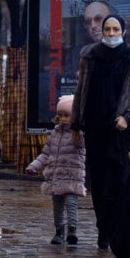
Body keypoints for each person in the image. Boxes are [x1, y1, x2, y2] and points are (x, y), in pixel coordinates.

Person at [70, 14, 130, 252]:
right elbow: (81, 90)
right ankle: (103, 230)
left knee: (120, 182)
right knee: (99, 184)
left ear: (123, 32)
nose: (111, 33)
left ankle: (116, 230)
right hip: (96, 129)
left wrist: (128, 116)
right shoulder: (90, 56)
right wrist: (76, 124)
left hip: (122, 132)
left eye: (116, 29)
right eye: (108, 29)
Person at [26, 95, 86, 246]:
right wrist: (34, 166)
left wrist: (76, 128)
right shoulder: (55, 133)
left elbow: (82, 145)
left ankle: (72, 230)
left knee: (71, 203)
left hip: (72, 175)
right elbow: (46, 153)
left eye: (67, 115)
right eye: (60, 115)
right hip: (56, 176)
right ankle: (59, 231)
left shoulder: (77, 134)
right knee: (57, 205)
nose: (63, 118)